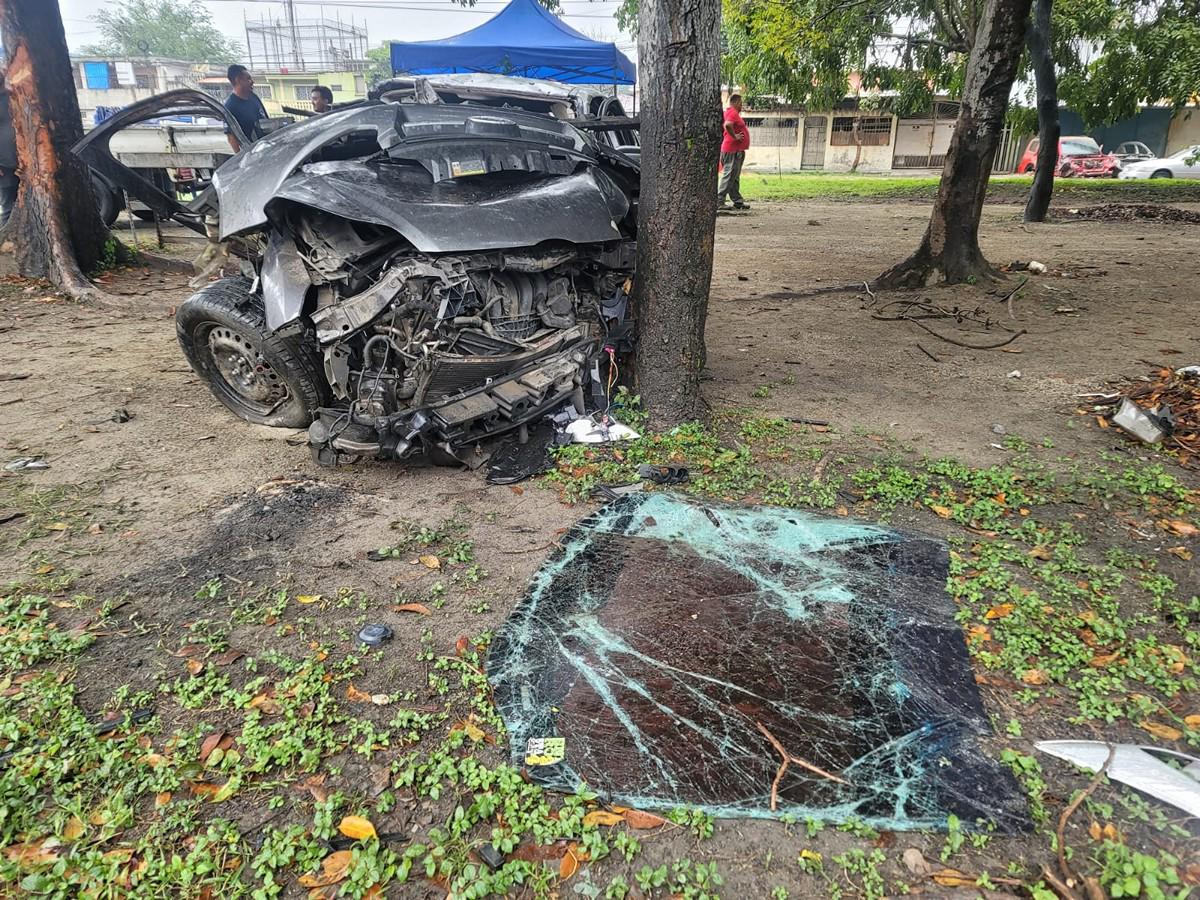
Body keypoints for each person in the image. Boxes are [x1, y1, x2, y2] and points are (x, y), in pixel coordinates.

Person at [223, 65, 268, 153]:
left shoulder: (254, 97)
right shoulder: (230, 106)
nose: (252, 82)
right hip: (252, 153)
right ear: (238, 80)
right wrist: (241, 157)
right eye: (248, 79)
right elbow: (231, 137)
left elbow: (266, 120)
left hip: (266, 148)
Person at [718, 93, 750, 210]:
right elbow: (728, 125)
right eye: (741, 103)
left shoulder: (730, 112)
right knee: (729, 175)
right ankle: (719, 200)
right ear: (736, 103)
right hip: (732, 150)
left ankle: (737, 201)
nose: (742, 106)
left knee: (734, 176)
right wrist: (735, 136)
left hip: (736, 150)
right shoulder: (732, 112)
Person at [0, 75, 17, 227]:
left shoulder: (14, 97)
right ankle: (6, 239)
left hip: (25, 163)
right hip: (4, 166)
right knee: (7, 207)